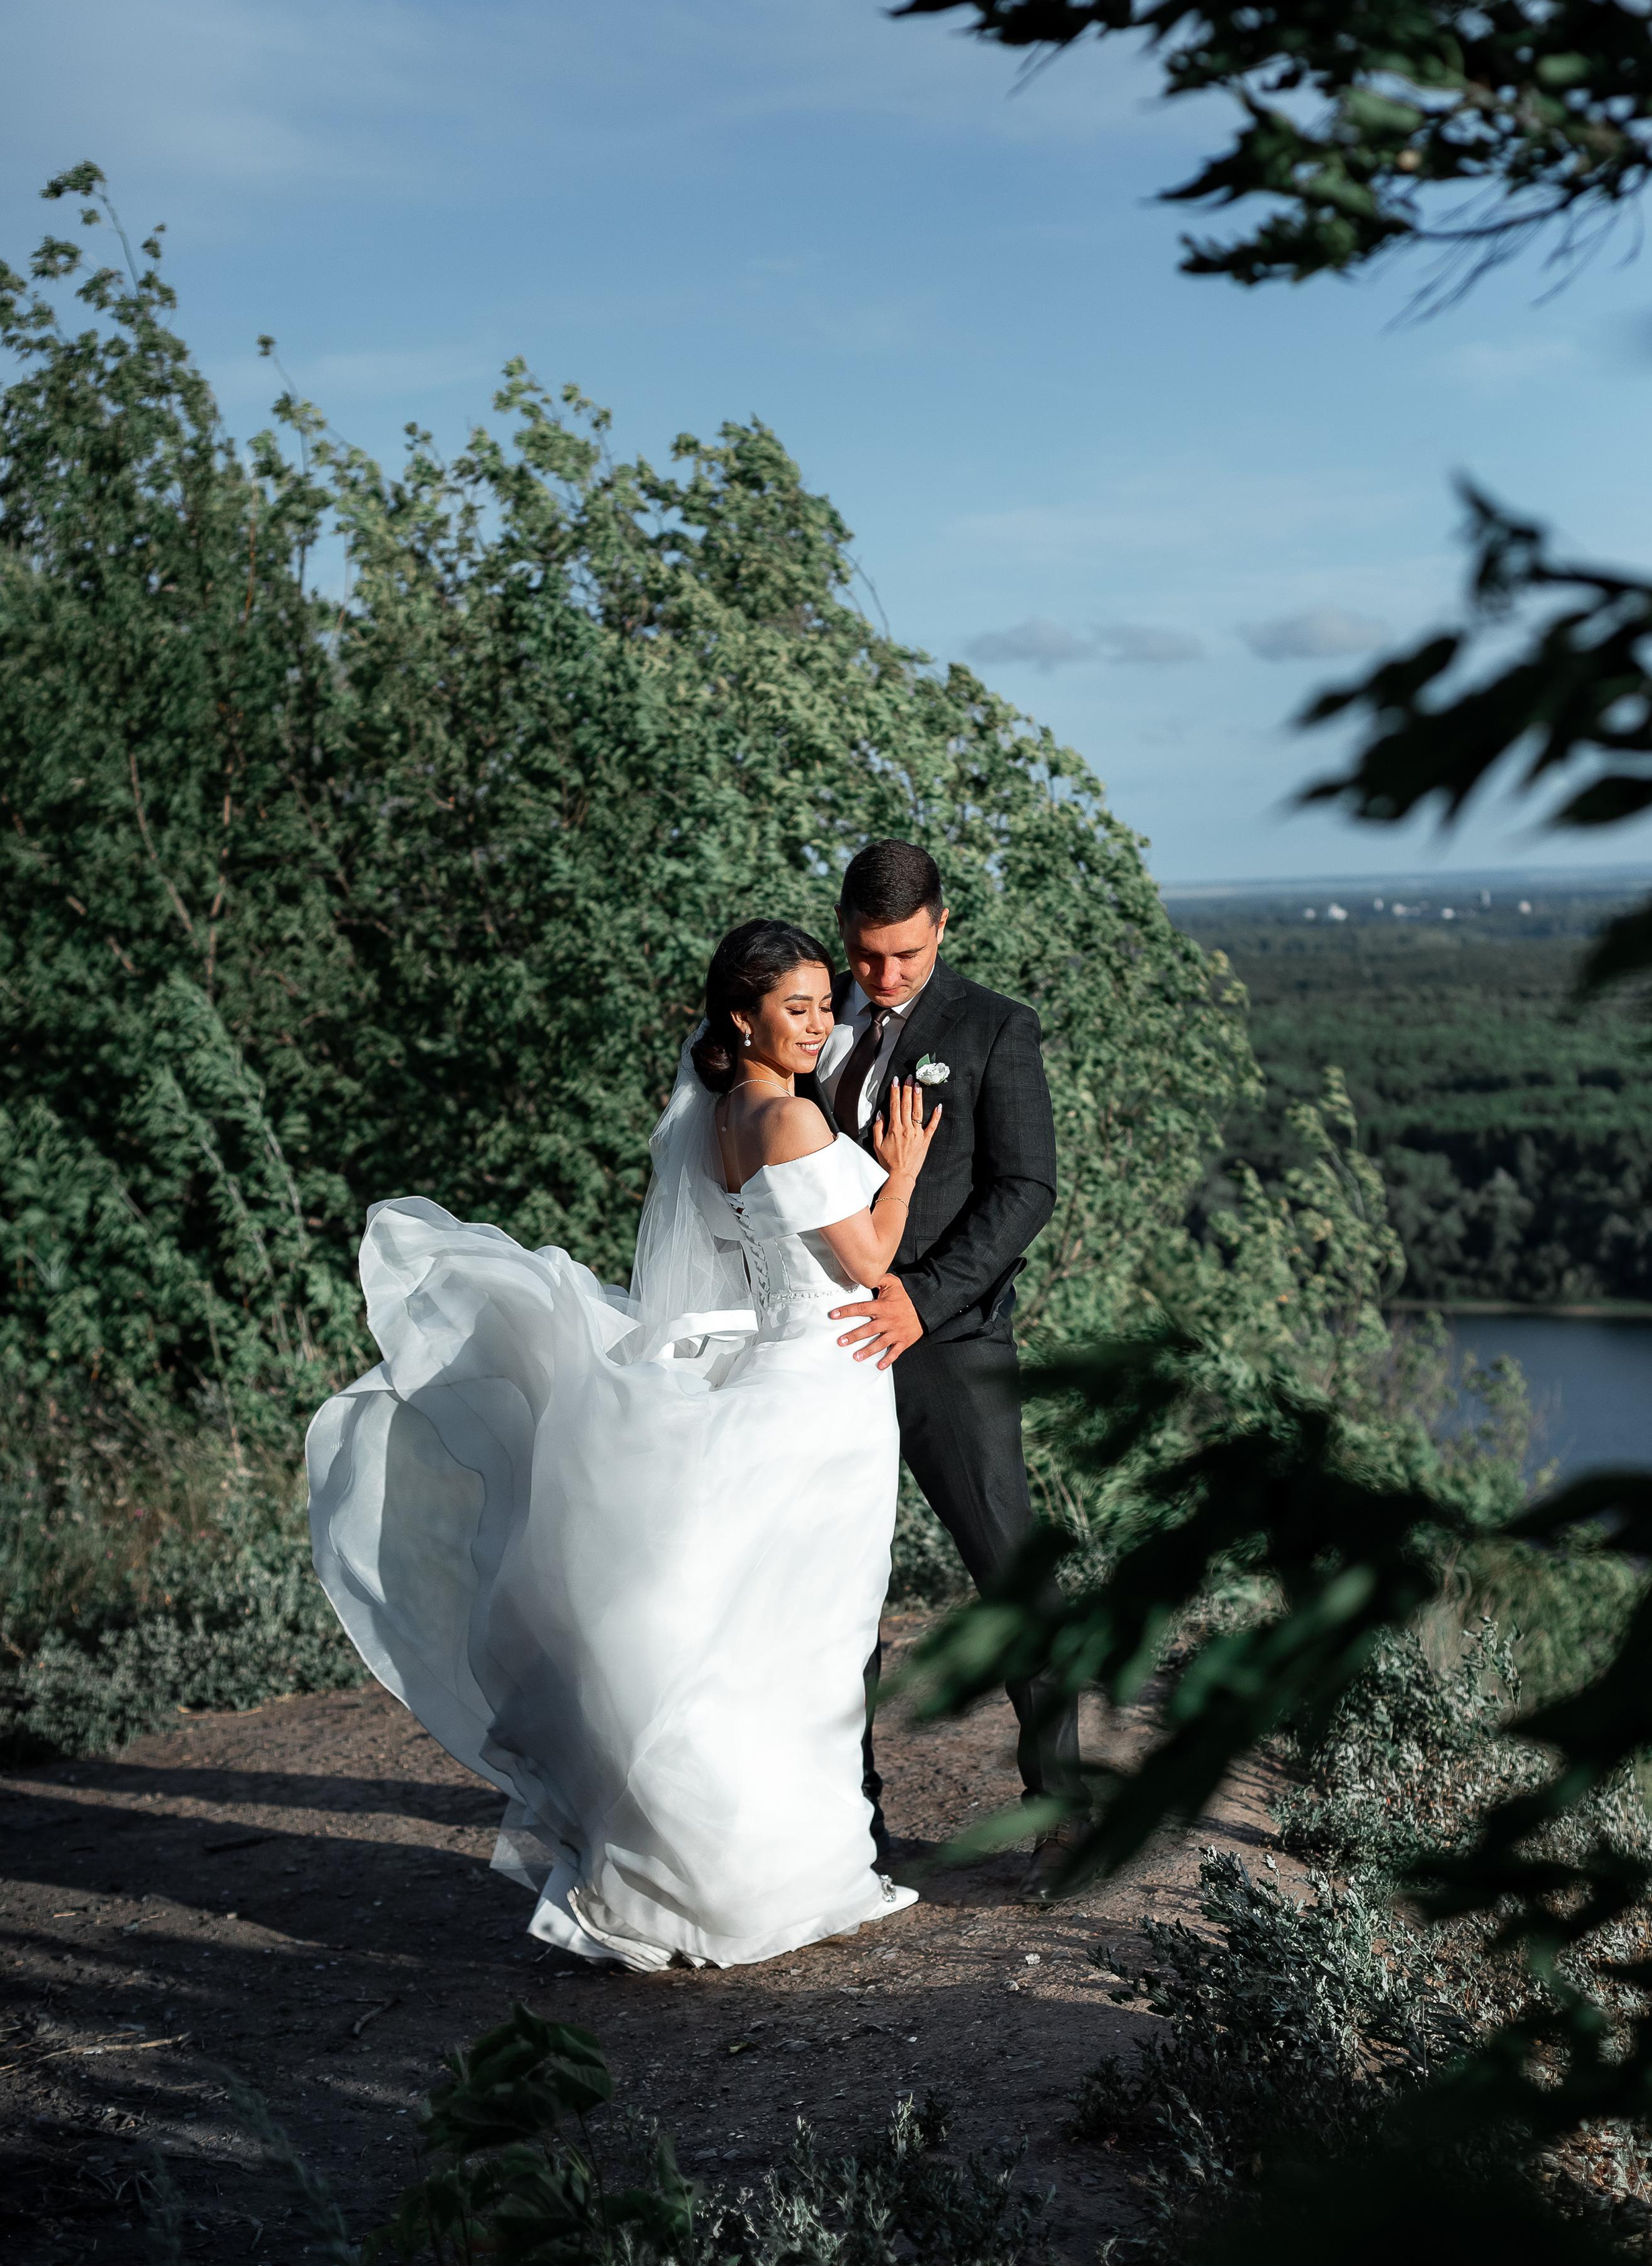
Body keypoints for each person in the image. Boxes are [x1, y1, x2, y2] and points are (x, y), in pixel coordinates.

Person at [306, 919, 940, 1971]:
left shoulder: (728, 1112)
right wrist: (901, 1166)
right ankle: (773, 1877)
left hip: (790, 1371)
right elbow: (871, 1257)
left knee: (780, 1638)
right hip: (825, 1395)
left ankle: (772, 1868)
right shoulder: (784, 1117)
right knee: (811, 1641)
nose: (823, 1023)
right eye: (800, 1007)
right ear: (743, 1017)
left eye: (828, 1005)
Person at [810, 841, 1085, 1886]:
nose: (886, 979)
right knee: (833, 1589)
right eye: (870, 957)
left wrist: (920, 1300)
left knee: (1009, 1568)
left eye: (908, 956)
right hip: (819, 1349)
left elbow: (1025, 1189)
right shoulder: (806, 1013)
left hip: (946, 1341)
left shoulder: (995, 1028)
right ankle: (850, 1826)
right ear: (845, 932)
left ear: (944, 923)